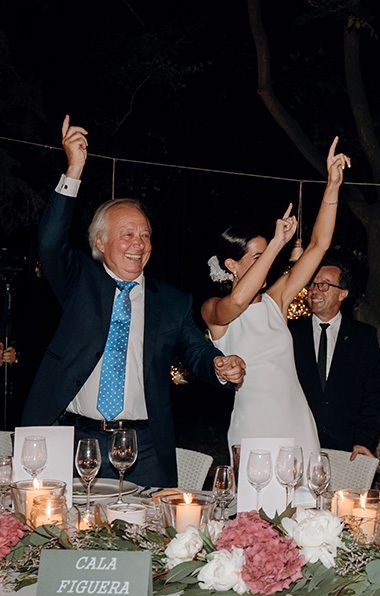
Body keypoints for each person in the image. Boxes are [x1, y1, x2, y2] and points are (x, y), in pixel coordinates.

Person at [22, 116, 246, 487]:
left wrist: (219, 366)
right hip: (75, 439)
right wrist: (74, 169)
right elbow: (49, 243)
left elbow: (195, 351)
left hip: (143, 447)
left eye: (145, 235)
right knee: (63, 534)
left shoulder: (171, 302)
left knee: (151, 538)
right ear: (100, 243)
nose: (138, 244)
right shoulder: (80, 282)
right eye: (127, 234)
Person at [203, 137, 350, 462]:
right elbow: (239, 300)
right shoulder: (215, 310)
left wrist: (332, 185)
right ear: (231, 265)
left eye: (266, 255)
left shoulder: (276, 300)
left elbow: (318, 246)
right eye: (256, 257)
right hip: (254, 426)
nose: (267, 262)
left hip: (296, 421)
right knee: (257, 513)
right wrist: (275, 245)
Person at [290, 257, 380, 460]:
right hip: (297, 447)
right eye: (313, 284)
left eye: (324, 285)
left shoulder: (363, 336)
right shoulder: (291, 333)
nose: (314, 290)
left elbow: (374, 395)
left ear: (343, 293)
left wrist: (364, 441)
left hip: (347, 450)